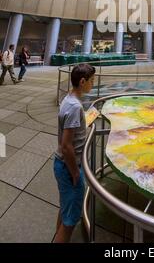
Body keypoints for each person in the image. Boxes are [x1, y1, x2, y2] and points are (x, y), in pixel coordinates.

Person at [53, 63, 95, 243]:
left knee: (65, 209)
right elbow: (66, 145)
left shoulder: (68, 98)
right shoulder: (74, 107)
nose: (93, 84)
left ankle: (57, 235)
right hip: (69, 167)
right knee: (71, 220)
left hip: (62, 165)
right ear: (83, 81)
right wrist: (75, 173)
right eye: (92, 81)